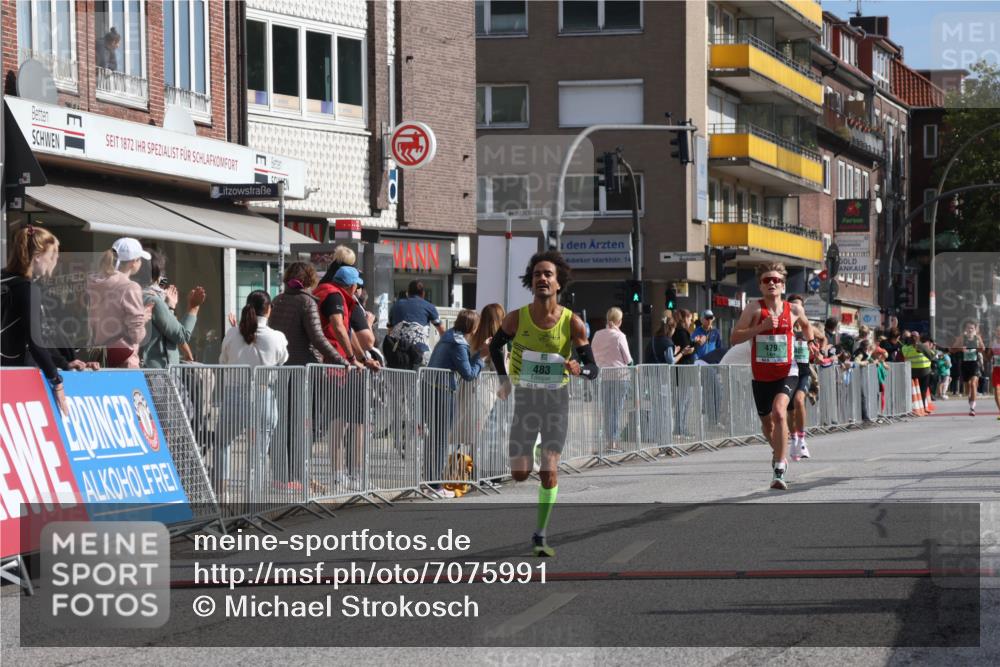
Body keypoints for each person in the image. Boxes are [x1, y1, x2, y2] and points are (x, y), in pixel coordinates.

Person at [489, 251, 598, 557]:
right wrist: (504, 380)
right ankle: (533, 450)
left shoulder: (572, 323)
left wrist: (579, 368)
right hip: (526, 399)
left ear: (558, 282)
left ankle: (540, 534)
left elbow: (593, 369)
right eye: (537, 274)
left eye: (548, 274)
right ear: (531, 281)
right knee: (520, 474)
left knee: (549, 470)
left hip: (556, 400)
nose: (542, 279)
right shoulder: (516, 318)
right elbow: (496, 346)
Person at [730, 262, 812, 490]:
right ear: (760, 285)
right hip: (761, 375)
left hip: (787, 371)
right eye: (767, 280)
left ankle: (779, 468)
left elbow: (807, 327)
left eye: (776, 280)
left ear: (783, 285)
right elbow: (734, 338)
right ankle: (779, 452)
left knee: (779, 412)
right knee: (768, 425)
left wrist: (811, 343)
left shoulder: (794, 310)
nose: (772, 283)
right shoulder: (754, 309)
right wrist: (761, 327)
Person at [268, 262, 347, 490]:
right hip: (304, 372)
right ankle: (298, 475)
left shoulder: (279, 300)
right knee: (305, 425)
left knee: (282, 424)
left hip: (282, 370)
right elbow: (318, 339)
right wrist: (343, 360)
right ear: (310, 280)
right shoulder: (306, 302)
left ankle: (281, 476)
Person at [0, 225, 82, 412]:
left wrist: (63, 363)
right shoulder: (28, 289)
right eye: (52, 256)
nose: (54, 262)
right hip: (16, 378)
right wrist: (57, 381)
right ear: (37, 257)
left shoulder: (5, 280)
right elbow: (35, 341)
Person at [217, 290, 289, 492]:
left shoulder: (232, 334)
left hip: (235, 396)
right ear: (268, 309)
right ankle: (252, 505)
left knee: (222, 443)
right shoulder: (277, 337)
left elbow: (223, 361)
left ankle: (222, 496)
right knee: (258, 452)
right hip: (263, 395)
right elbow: (282, 361)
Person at [425, 309, 488, 496]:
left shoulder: (449, 337)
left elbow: (463, 366)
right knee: (440, 439)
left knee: (434, 439)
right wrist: (482, 356)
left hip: (432, 388)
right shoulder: (458, 343)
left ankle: (430, 482)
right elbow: (468, 374)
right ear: (473, 327)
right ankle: (436, 486)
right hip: (443, 391)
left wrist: (477, 356)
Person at [86, 237, 150, 368]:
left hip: (99, 357)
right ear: (133, 262)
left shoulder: (94, 284)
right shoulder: (130, 287)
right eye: (140, 259)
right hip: (124, 359)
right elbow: (137, 335)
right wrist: (144, 317)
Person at [140, 248, 205, 367]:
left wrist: (169, 307)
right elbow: (181, 336)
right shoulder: (152, 300)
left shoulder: (132, 296)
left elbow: (166, 330)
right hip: (159, 374)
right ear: (156, 273)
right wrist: (193, 307)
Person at [592, 307, 633, 452]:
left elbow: (593, 354)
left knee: (607, 410)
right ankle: (613, 443)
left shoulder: (597, 334)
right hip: (619, 376)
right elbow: (628, 359)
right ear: (619, 321)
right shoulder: (619, 336)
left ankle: (609, 441)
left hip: (603, 376)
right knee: (616, 410)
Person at [785, 294, 817, 461]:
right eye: (792, 306)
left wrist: (818, 349)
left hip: (803, 372)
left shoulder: (808, 327)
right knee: (790, 410)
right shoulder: (785, 327)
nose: (795, 310)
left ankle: (802, 439)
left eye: (798, 306)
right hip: (788, 372)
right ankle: (794, 439)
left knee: (799, 400)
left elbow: (823, 338)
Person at [387, 280, 445, 366]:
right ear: (423, 293)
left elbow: (390, 331)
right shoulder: (429, 307)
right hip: (420, 354)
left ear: (407, 293)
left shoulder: (395, 306)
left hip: (398, 354)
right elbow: (442, 331)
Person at [951, 321, 985, 416]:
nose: (970, 330)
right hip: (965, 365)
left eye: (972, 328)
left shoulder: (977, 338)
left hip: (975, 364)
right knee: (967, 388)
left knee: (973, 384)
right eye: (968, 328)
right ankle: (971, 402)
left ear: (975, 329)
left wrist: (979, 348)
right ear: (965, 329)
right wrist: (960, 349)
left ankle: (972, 408)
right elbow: (952, 349)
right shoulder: (962, 338)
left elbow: (983, 348)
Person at [902, 333, 934, 415]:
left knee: (913, 391)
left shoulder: (905, 348)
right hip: (924, 371)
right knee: (922, 391)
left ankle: (913, 408)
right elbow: (931, 356)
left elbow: (905, 355)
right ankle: (921, 408)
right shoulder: (921, 346)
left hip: (912, 371)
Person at [990, 325, 1000, 420]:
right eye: (997, 331)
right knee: (996, 391)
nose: (998, 332)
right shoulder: (993, 343)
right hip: (996, 369)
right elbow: (989, 356)